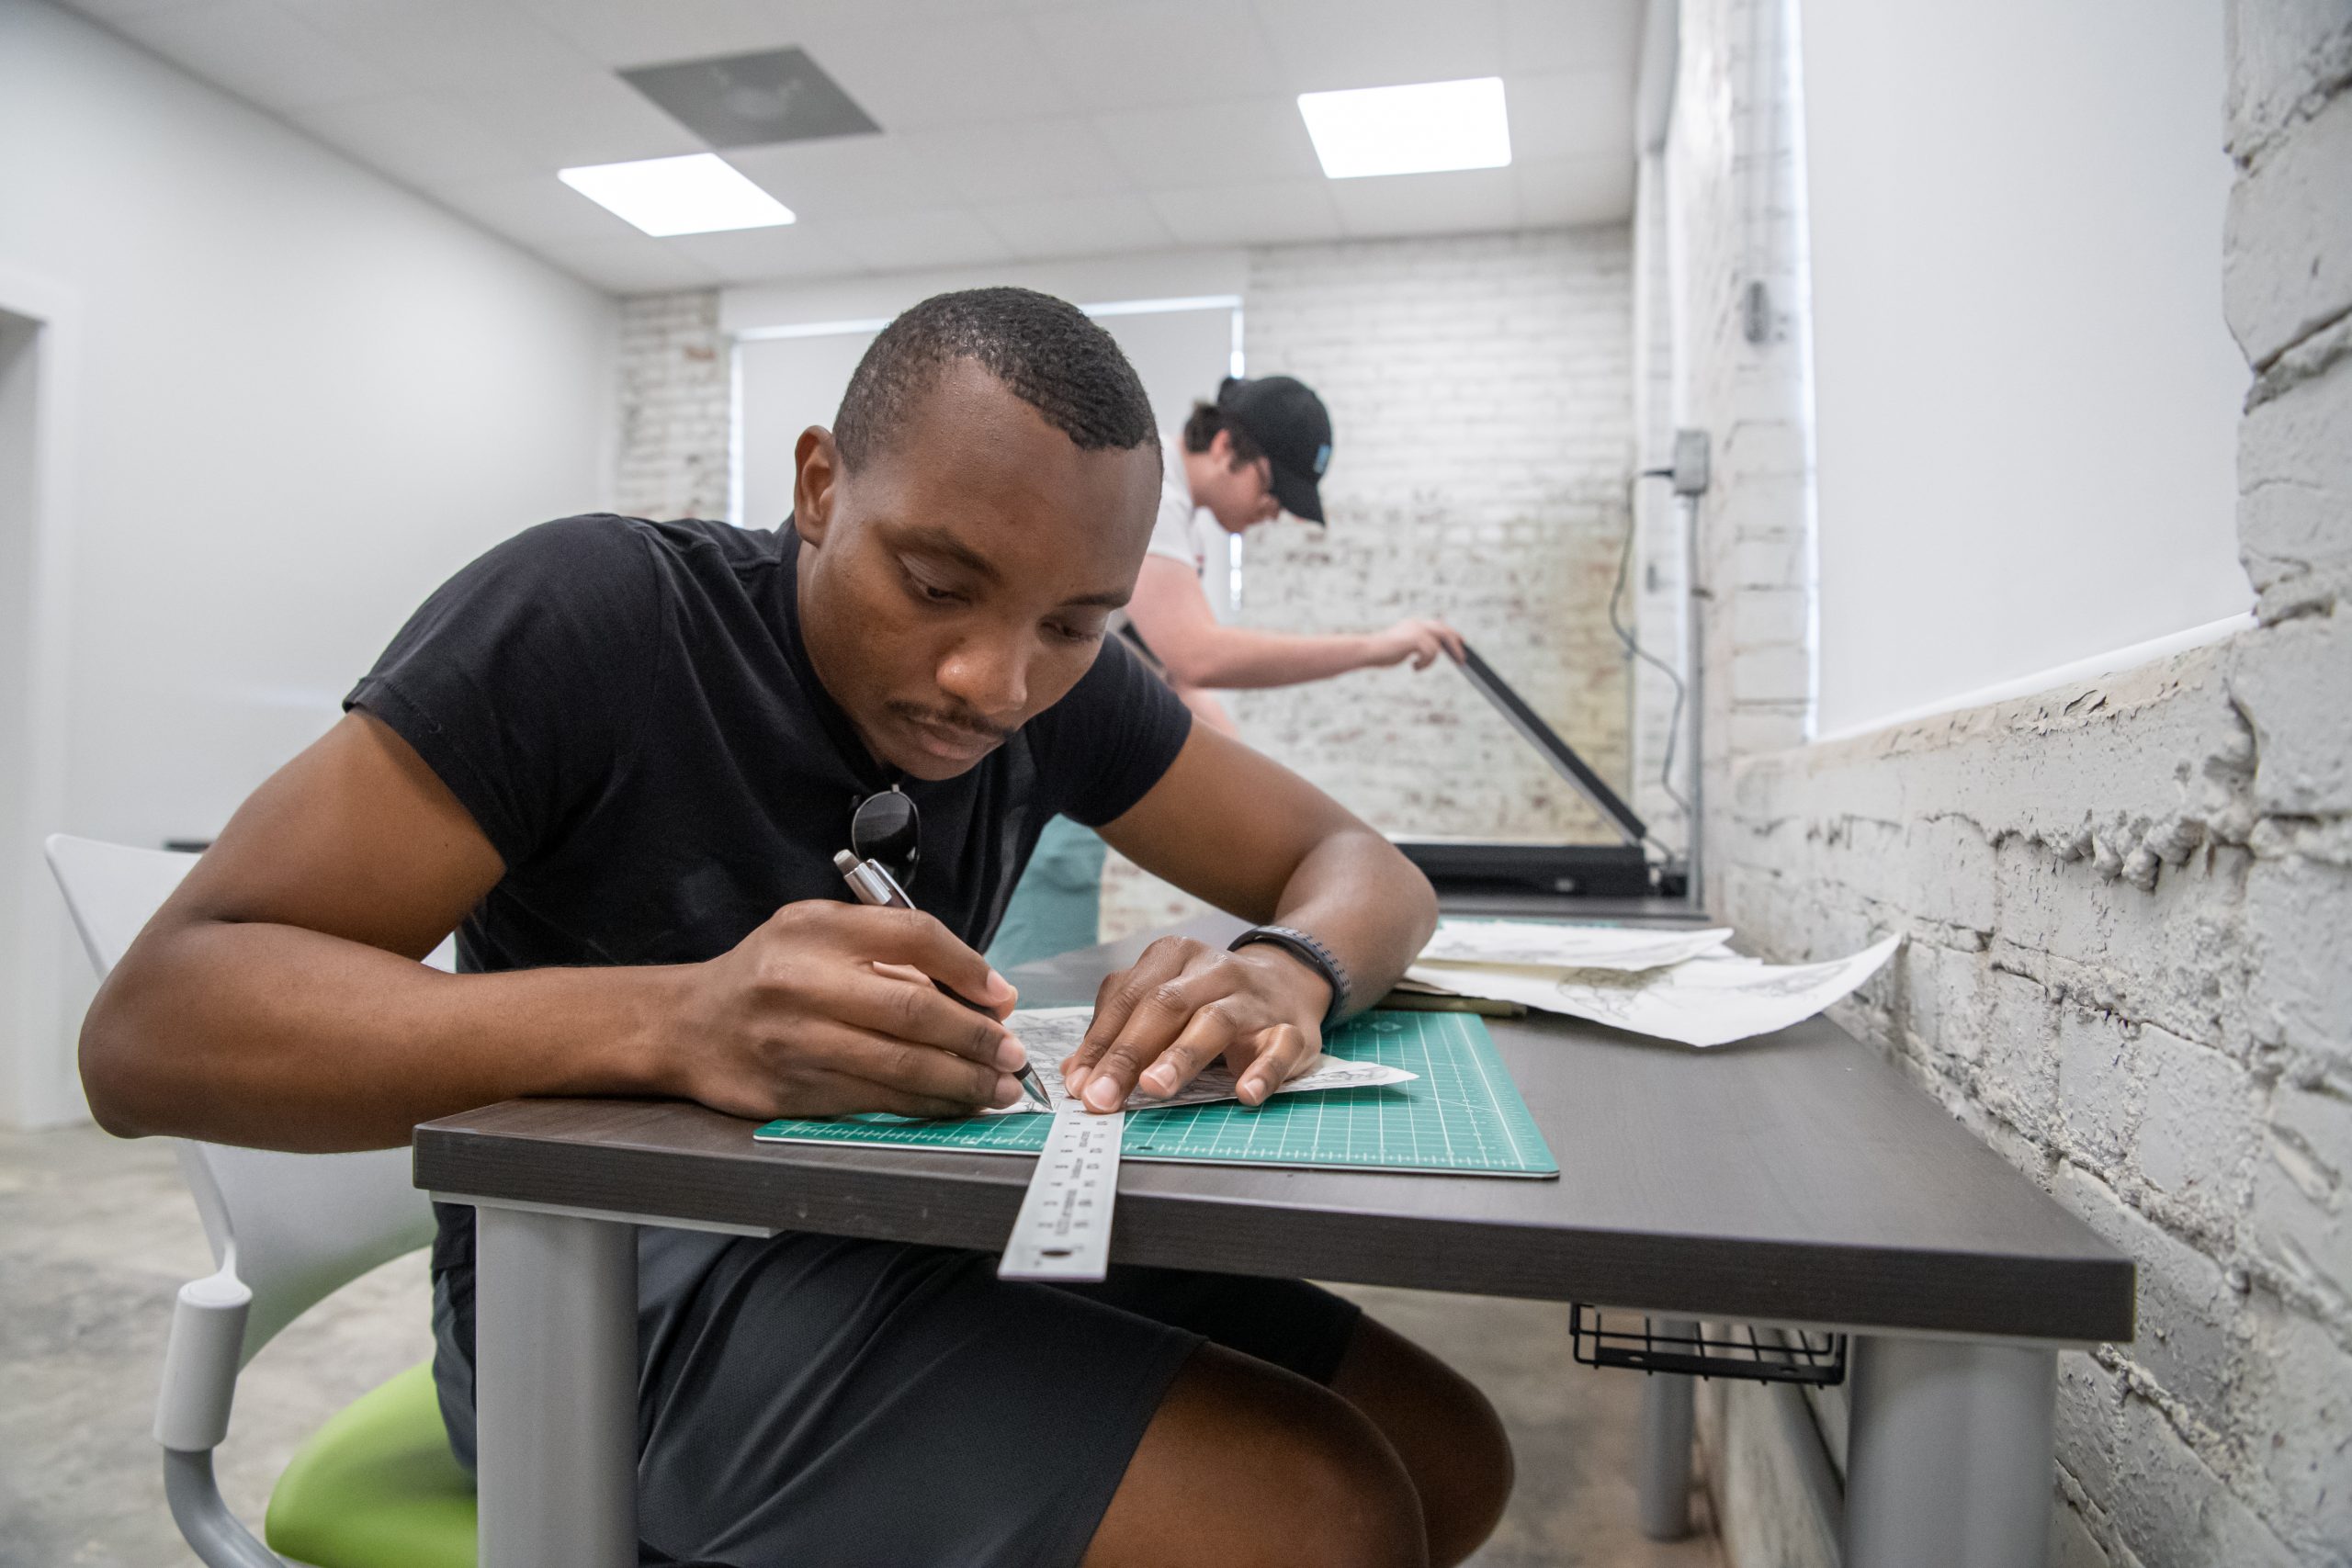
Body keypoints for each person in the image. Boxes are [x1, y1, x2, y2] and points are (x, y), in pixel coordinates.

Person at [79, 288, 1511, 1568]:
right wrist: (676, 1022)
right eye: (938, 586)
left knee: (1447, 1449)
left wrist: (1283, 966)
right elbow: (152, 1030)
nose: (993, 679)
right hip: (596, 1297)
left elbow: (1360, 865)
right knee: (1315, 1515)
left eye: (1072, 622)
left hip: (897, 1220)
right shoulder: (602, 615)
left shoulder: (1057, 684)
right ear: (820, 482)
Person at [986, 374, 1464, 972]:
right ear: (1223, 447)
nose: (1273, 512)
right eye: (1272, 488)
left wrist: (1264, 794)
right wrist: (1374, 646)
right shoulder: (1149, 485)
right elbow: (1197, 654)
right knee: (1026, 979)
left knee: (1047, 952)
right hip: (1037, 752)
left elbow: (1175, 679)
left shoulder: (1183, 521)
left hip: (1077, 761)